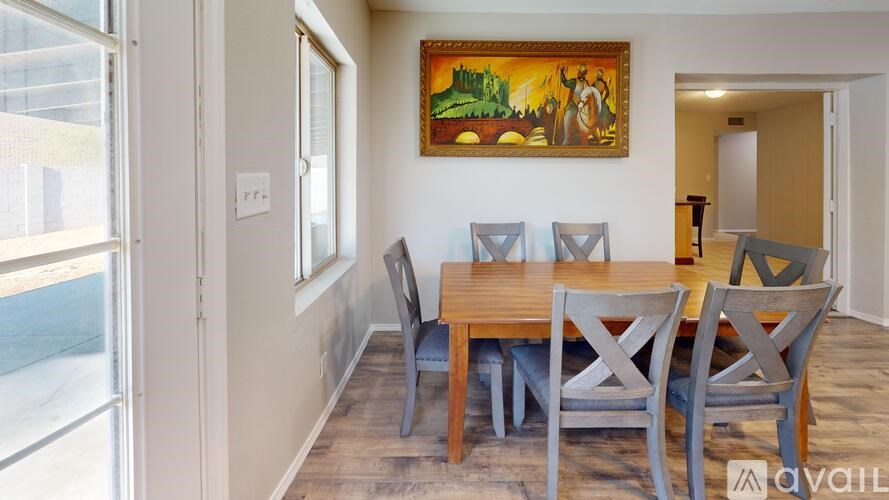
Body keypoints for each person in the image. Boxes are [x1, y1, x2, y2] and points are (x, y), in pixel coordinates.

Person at [559, 64, 591, 145]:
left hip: (583, 107)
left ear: (583, 74)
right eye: (579, 72)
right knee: (567, 115)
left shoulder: (586, 83)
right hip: (573, 106)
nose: (579, 73)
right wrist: (562, 73)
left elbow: (589, 94)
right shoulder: (574, 81)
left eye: (581, 72)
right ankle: (567, 139)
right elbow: (565, 83)